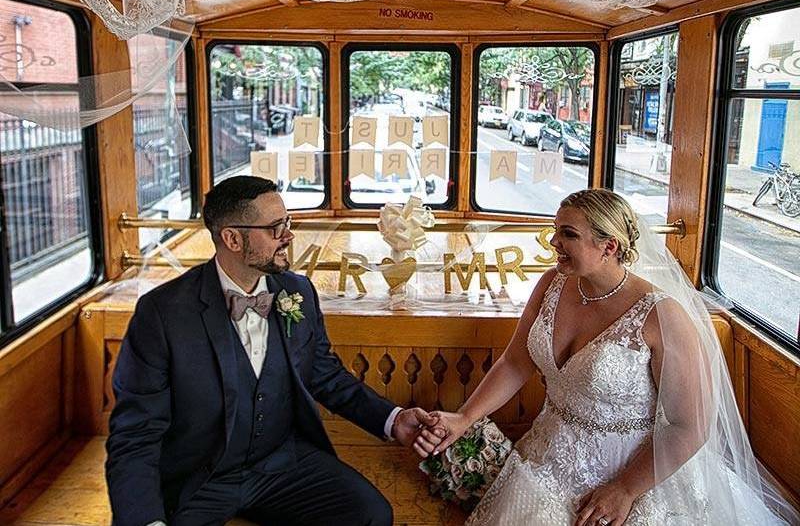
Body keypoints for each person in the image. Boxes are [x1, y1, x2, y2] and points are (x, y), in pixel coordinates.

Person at [421, 189, 799, 525]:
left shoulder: (661, 315)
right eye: (556, 230)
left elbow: (690, 425)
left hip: (634, 472)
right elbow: (517, 362)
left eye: (568, 234)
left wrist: (625, 490)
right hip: (546, 458)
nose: (554, 242)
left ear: (609, 246)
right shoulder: (552, 283)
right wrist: (465, 417)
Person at [106, 176, 442, 526]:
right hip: (201, 478)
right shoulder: (162, 313)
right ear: (233, 239)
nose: (289, 236)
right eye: (275, 228)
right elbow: (136, 433)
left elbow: (326, 376)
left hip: (282, 465)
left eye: (288, 223)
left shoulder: (297, 291)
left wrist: (393, 419)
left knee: (372, 516)